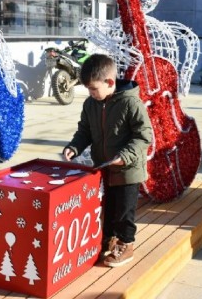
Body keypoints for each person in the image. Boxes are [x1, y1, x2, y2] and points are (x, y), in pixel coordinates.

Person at [62, 54, 153, 267]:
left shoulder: (131, 103)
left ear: (110, 82)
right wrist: (74, 147)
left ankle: (126, 243)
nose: (91, 94)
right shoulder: (91, 104)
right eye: (88, 90)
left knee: (124, 210)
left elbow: (144, 135)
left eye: (94, 89)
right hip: (104, 168)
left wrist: (126, 156)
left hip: (127, 169)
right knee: (109, 207)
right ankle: (109, 239)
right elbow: (84, 131)